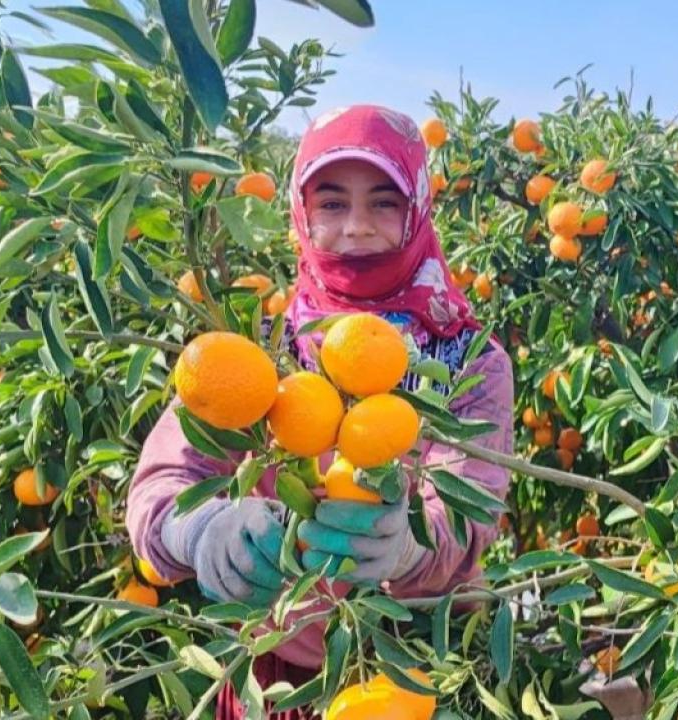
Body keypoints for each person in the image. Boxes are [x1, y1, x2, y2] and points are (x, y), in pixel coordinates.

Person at [125, 105, 515, 718]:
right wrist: (199, 532)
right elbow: (165, 481)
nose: (356, 227)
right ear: (302, 215)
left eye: (384, 202)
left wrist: (410, 548)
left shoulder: (468, 359)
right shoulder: (261, 348)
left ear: (417, 209)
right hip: (275, 678)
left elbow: (470, 510)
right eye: (332, 203)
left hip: (412, 672)